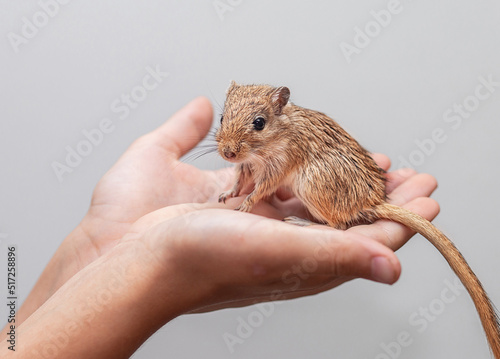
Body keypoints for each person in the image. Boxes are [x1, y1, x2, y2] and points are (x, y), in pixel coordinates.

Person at [1, 97, 439, 358]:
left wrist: (250, 199)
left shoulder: (289, 141)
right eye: (227, 129)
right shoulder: (251, 143)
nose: (229, 146)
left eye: (255, 128)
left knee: (302, 182)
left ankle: (338, 217)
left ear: (278, 113)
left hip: (334, 184)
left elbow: (271, 175)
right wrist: (116, 249)